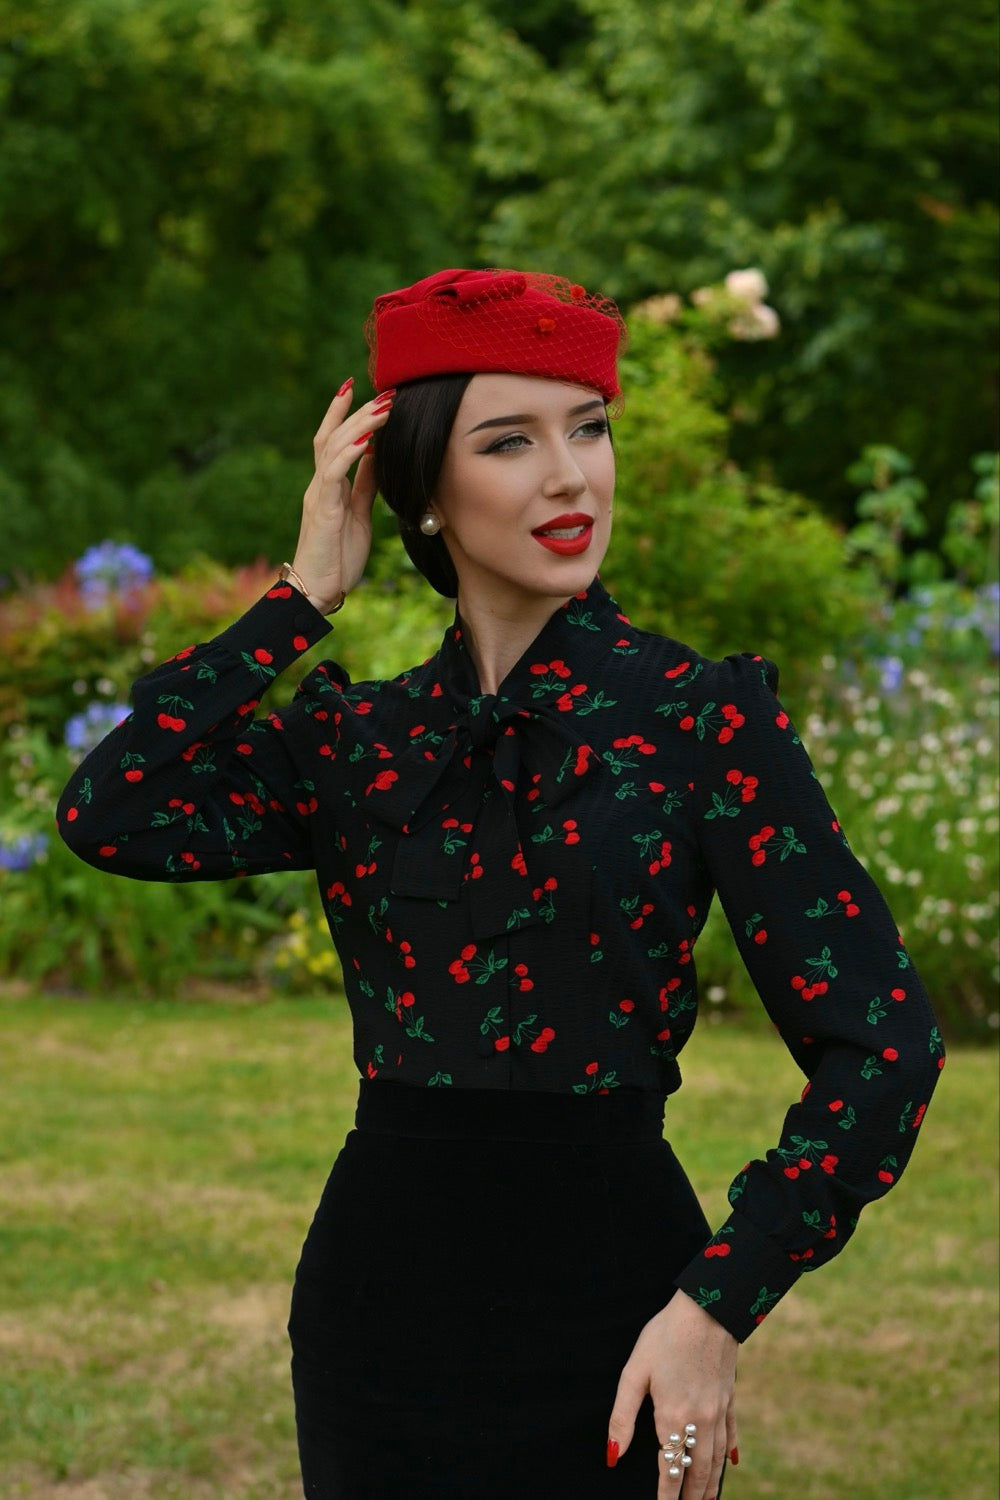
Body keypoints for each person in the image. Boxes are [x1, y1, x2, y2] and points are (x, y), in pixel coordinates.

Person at [57, 268, 944, 1499]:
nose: (570, 476)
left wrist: (716, 1308)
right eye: (509, 441)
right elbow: (113, 810)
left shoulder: (695, 722)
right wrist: (300, 597)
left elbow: (883, 1041)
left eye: (587, 427)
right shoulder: (357, 744)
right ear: (421, 490)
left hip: (623, 1318)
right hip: (379, 1318)